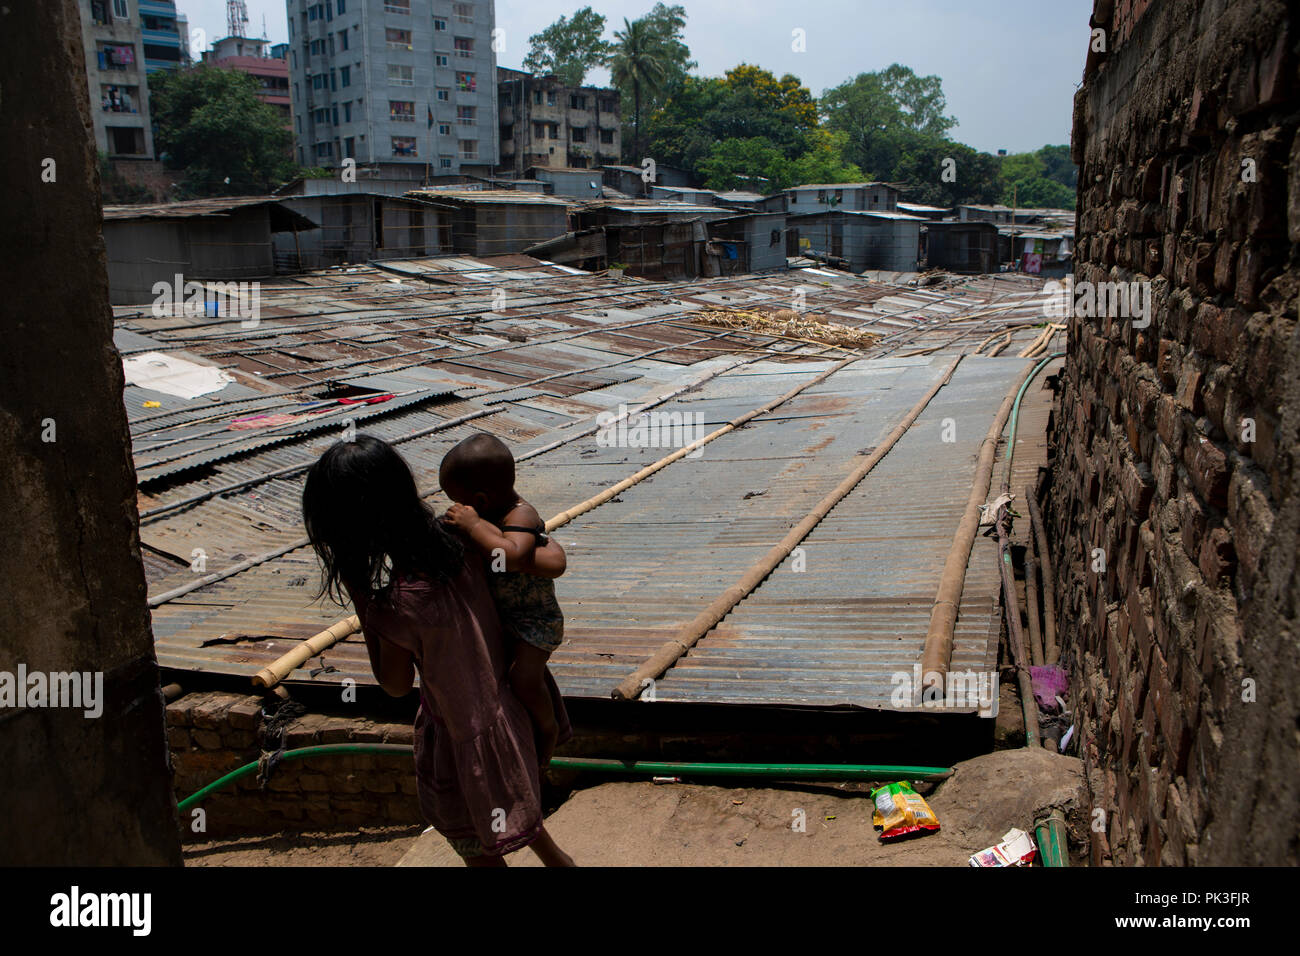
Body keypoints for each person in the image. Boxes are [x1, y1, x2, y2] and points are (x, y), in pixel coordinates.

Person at [302, 434, 574, 867]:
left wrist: (362, 599)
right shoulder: (467, 538)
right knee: (518, 808)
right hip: (510, 712)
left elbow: (393, 685)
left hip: (462, 738)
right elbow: (546, 555)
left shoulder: (399, 604)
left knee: (475, 843)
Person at [438, 433, 568, 768]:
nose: (459, 508)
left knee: (524, 679)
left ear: (480, 500)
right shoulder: (490, 518)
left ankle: (548, 728)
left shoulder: (521, 515)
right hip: (506, 620)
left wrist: (473, 526)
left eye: (461, 501)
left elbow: (510, 556)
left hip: (535, 623)